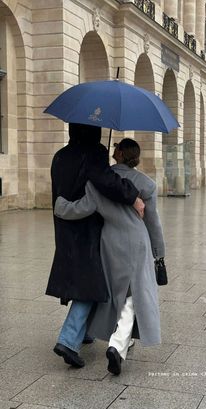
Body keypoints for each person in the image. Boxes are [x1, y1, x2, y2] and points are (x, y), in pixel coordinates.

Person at [54, 138, 165, 375]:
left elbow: (81, 209)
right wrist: (159, 255)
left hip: (110, 244)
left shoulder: (99, 182)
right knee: (132, 297)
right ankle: (117, 344)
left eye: (115, 148)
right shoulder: (146, 184)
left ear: (119, 153)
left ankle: (86, 334)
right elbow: (154, 224)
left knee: (111, 294)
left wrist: (60, 205)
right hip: (138, 243)